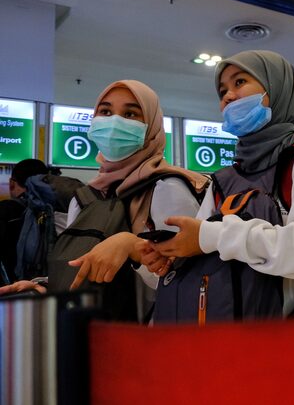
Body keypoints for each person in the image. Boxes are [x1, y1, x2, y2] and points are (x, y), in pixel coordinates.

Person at [144, 50, 294, 319]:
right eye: (222, 90)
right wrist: (174, 255)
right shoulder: (224, 180)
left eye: (239, 82)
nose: (227, 96)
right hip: (239, 339)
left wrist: (212, 236)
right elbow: (204, 245)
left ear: (276, 87)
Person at [0, 80, 208, 321]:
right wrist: (45, 287)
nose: (114, 122)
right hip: (90, 333)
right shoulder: (86, 197)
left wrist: (133, 248)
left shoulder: (167, 187)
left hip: (147, 339)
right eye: (106, 112)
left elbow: (188, 277)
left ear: (151, 126)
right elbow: (83, 266)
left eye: (130, 114)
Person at [0, 159, 48, 283]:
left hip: (9, 288)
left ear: (11, 183)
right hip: (43, 285)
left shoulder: (4, 211)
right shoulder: (52, 210)